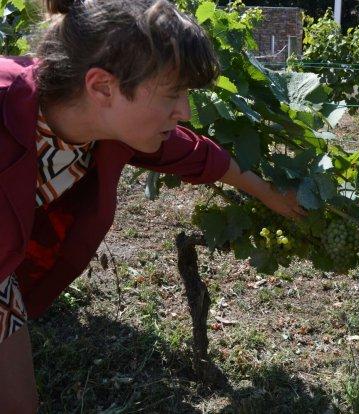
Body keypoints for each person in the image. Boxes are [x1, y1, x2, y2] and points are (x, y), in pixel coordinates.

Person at [0, 0, 305, 411]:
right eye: (173, 93)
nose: (185, 111)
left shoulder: (106, 127)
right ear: (102, 87)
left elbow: (195, 155)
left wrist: (268, 193)